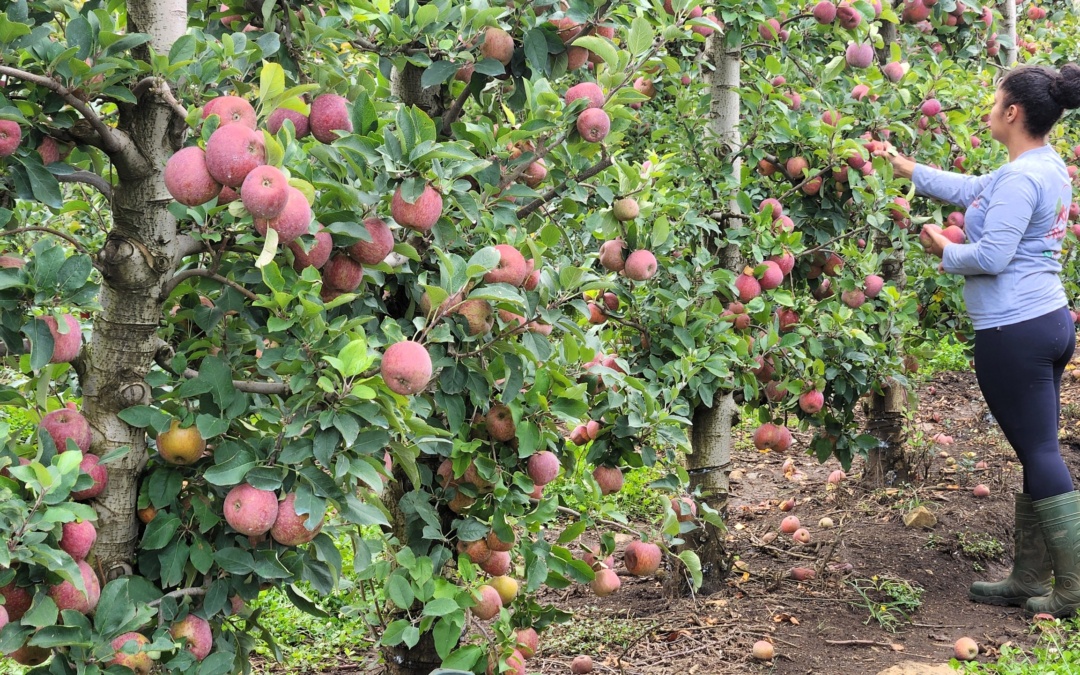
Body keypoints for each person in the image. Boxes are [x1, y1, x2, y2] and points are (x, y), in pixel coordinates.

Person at [878, 63, 1080, 618]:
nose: (990, 107)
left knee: (1039, 450)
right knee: (1035, 448)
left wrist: (940, 249)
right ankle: (1027, 577)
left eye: (995, 101)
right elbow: (974, 188)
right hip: (1046, 320)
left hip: (1014, 328)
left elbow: (991, 258)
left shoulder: (1021, 177)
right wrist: (907, 168)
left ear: (1012, 112)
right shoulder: (1042, 165)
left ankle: (1071, 588)